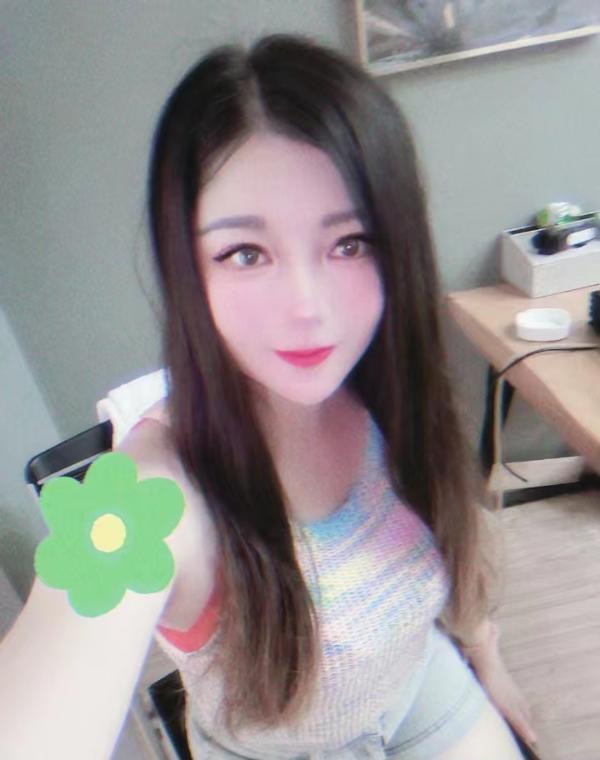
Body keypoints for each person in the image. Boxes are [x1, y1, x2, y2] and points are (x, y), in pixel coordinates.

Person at [0, 34, 537, 760]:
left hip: (420, 683)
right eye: (245, 254)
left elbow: (454, 536)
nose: (308, 308)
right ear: (189, 269)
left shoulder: (386, 385)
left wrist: (486, 657)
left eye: (350, 243)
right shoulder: (158, 491)